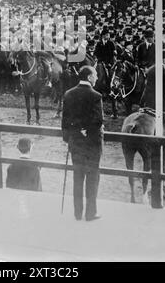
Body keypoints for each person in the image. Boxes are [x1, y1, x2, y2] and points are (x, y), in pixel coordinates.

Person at [61, 65, 104, 221]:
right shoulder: (96, 96)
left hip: (75, 144)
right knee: (92, 178)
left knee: (77, 178)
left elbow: (65, 121)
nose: (97, 77)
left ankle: (77, 213)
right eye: (95, 75)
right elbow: (98, 121)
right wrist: (85, 129)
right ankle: (90, 213)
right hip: (92, 145)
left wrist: (71, 136)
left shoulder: (68, 94)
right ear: (89, 77)